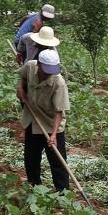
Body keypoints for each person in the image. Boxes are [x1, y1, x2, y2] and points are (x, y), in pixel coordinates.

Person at [16, 49, 71, 193]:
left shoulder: (58, 82)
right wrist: (21, 88)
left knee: (57, 160)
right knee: (31, 156)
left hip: (51, 121)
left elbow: (59, 111)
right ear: (39, 65)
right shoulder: (30, 66)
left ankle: (62, 192)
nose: (48, 74)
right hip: (33, 117)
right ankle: (34, 186)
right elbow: (22, 78)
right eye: (46, 70)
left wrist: (53, 135)